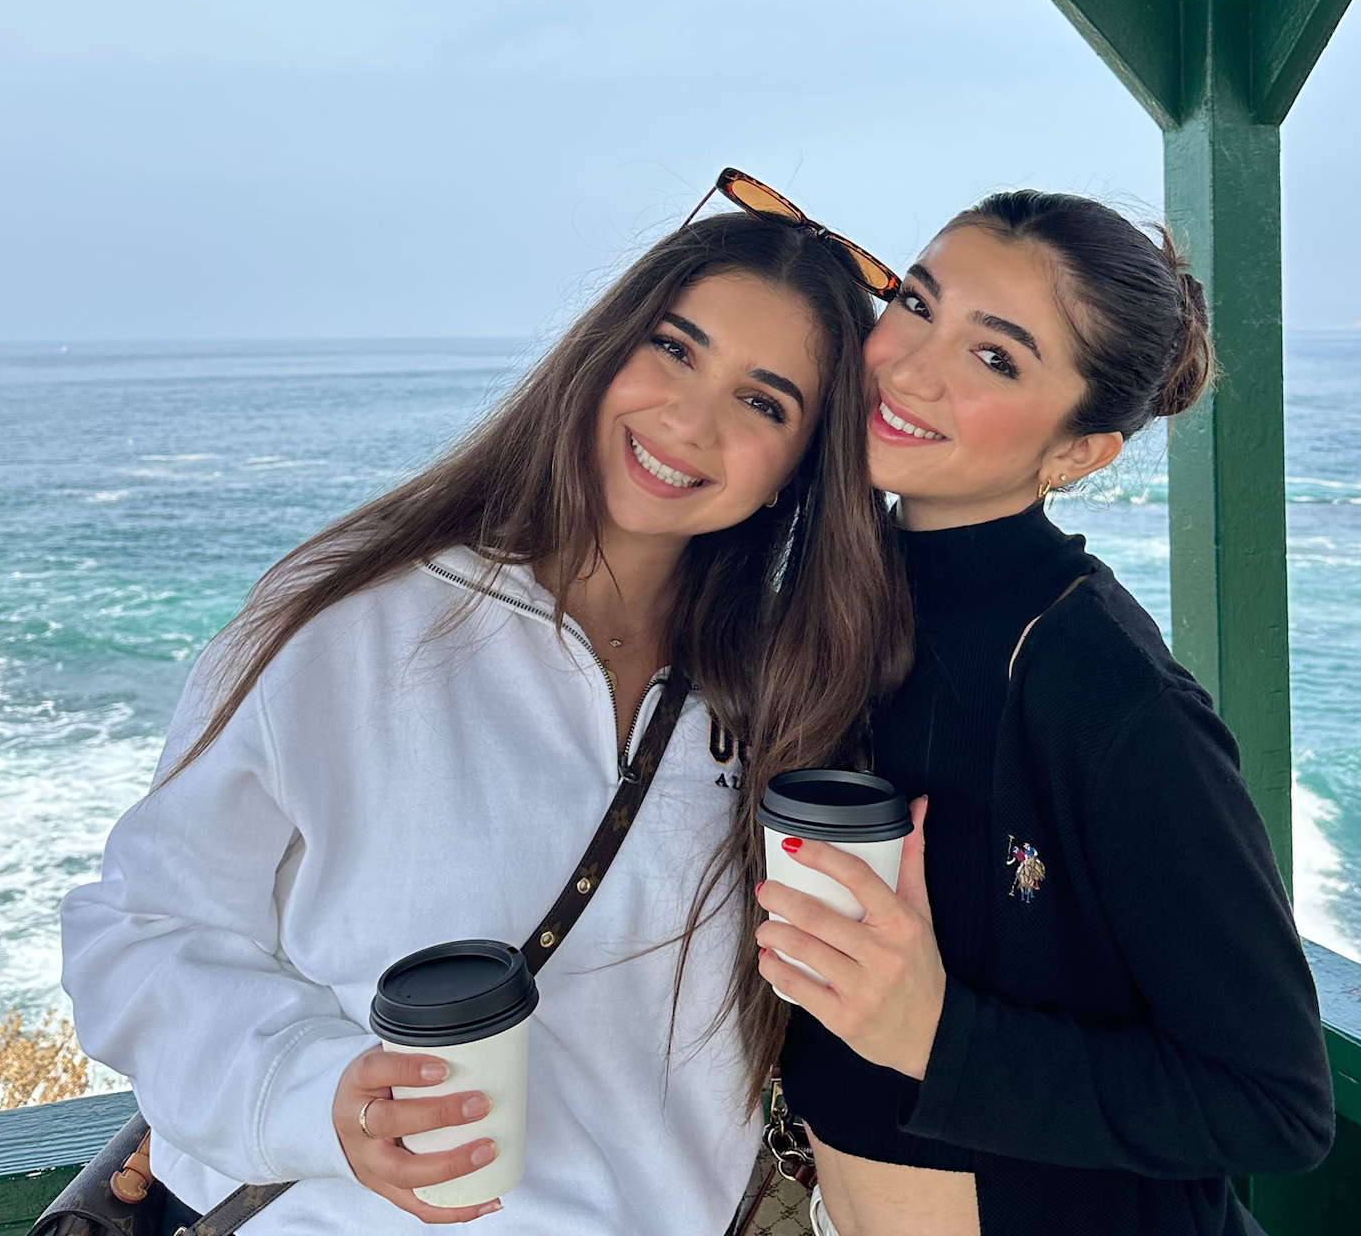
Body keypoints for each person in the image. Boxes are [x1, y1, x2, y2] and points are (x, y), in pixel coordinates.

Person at [61, 204, 911, 1235]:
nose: (692, 420)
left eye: (763, 402)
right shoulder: (352, 618)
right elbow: (141, 930)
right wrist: (313, 1095)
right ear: (604, 349)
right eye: (674, 349)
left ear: (801, 466)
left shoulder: (790, 697)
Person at [754, 191, 1337, 1236]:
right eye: (917, 303)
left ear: (1075, 454)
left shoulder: (1105, 689)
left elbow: (1277, 1103)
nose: (912, 368)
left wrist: (939, 1035)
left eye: (996, 358)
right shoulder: (839, 597)